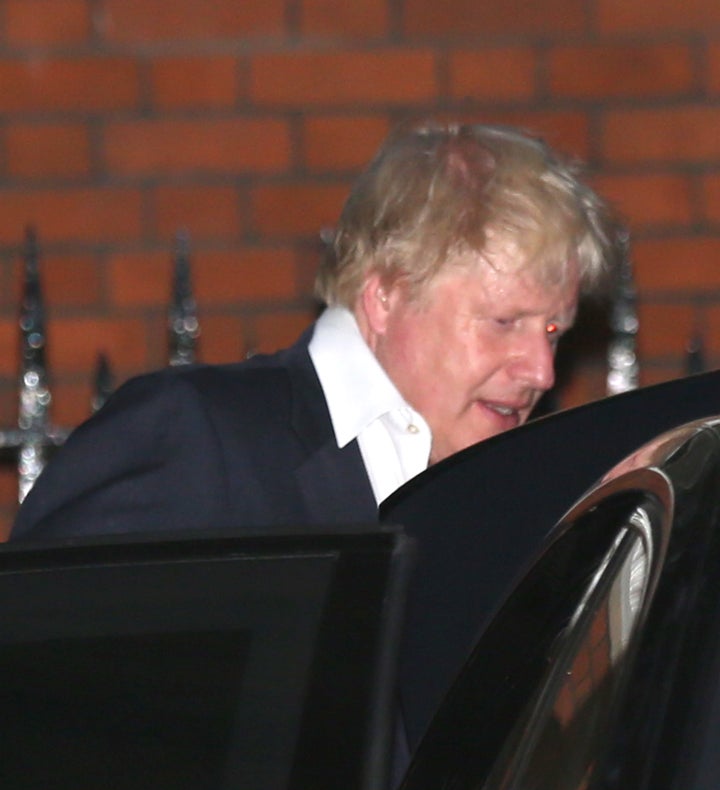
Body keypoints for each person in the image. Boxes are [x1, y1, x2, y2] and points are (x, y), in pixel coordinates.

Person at [9, 120, 618, 543]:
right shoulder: (194, 435)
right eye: (504, 322)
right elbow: (47, 678)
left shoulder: (507, 491)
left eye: (555, 330)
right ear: (385, 297)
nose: (541, 370)